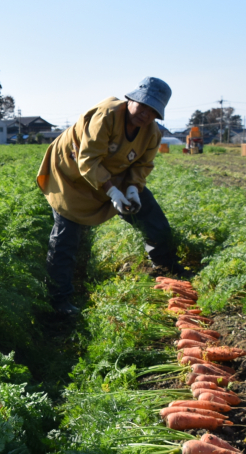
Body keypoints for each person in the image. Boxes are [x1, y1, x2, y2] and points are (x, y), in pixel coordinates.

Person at [36, 77, 181, 315]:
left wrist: (132, 188)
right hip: (71, 174)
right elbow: (88, 160)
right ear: (131, 99)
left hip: (115, 173)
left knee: (153, 219)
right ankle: (59, 300)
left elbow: (143, 164)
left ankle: (165, 267)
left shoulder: (152, 133)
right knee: (66, 237)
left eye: (152, 111)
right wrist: (112, 190)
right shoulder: (106, 116)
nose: (145, 114)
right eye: (143, 106)